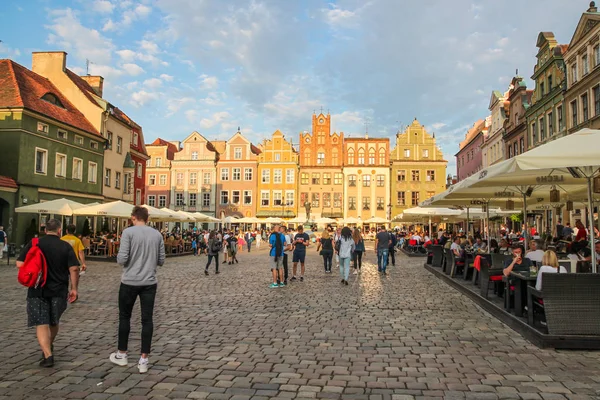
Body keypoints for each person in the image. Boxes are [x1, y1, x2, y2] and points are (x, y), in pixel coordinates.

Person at [17, 219, 79, 367]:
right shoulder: (65, 246)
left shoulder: (34, 243)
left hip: (37, 289)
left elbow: (19, 263)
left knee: (40, 322)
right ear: (59, 231)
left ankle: (48, 355)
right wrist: (74, 288)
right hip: (59, 290)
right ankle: (48, 346)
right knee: (53, 321)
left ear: (45, 230)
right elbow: (74, 269)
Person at [110, 206, 165, 373]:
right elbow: (161, 260)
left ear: (133, 217)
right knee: (147, 320)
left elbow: (122, 258)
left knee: (125, 317)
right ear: (147, 218)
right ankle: (143, 359)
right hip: (149, 282)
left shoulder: (128, 233)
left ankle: (122, 354)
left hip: (129, 281)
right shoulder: (157, 234)